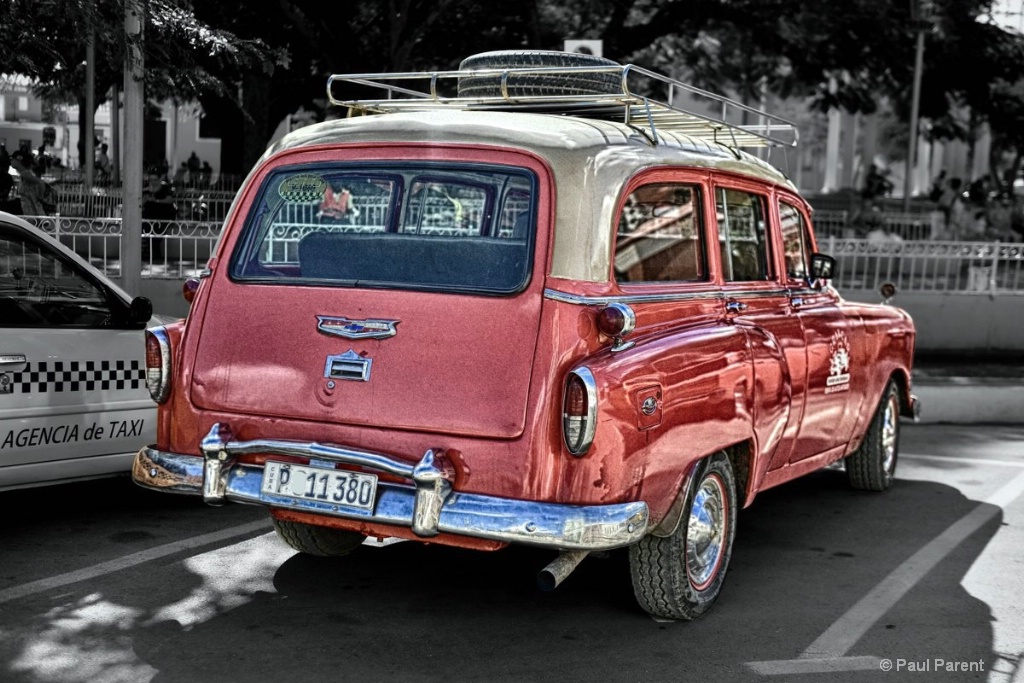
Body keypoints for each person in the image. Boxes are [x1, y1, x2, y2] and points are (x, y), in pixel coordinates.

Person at [8, 150, 53, 215]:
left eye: (12, 159)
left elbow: (41, 183)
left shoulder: (25, 174)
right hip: (30, 207)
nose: (11, 161)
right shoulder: (26, 173)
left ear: (19, 160)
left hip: (30, 208)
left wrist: (40, 197)